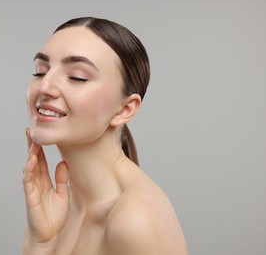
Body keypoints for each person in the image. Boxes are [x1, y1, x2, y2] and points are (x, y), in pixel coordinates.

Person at [22, 17, 187, 255]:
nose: (45, 86)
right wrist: (40, 244)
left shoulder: (136, 219)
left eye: (77, 76)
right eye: (40, 71)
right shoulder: (56, 207)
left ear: (125, 109)